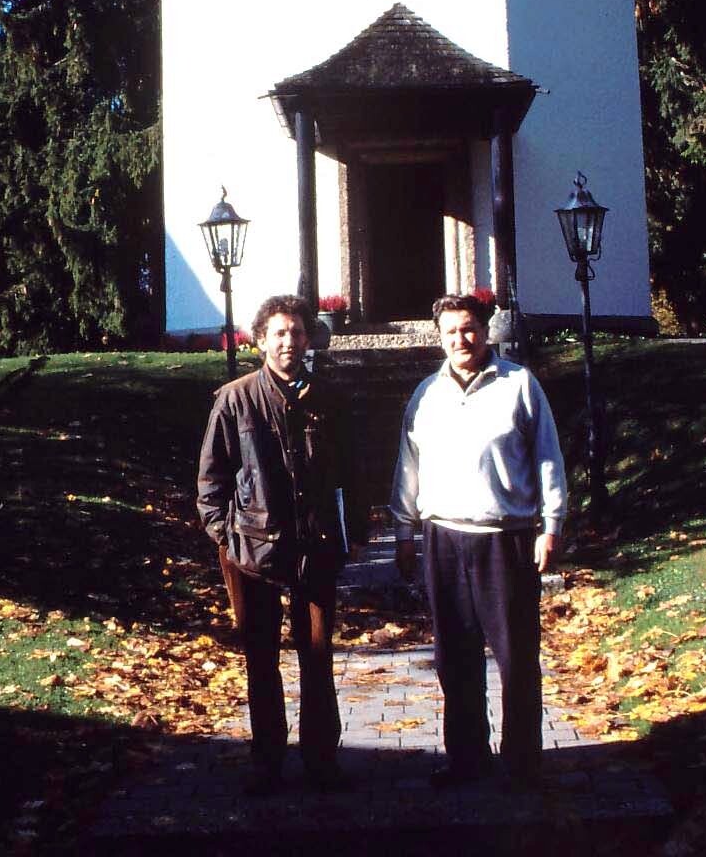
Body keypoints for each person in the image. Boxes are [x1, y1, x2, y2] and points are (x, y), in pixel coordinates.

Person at [391, 293, 567, 789]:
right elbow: (408, 467)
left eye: (468, 328)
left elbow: (548, 458)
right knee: (455, 656)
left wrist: (551, 524)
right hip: (444, 538)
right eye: (450, 331)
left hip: (504, 539)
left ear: (484, 330)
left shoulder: (519, 386)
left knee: (515, 656)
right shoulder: (425, 395)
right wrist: (403, 530)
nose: (460, 339)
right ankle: (467, 758)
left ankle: (522, 763)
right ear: (439, 336)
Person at [197, 293, 365, 795]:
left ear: (309, 338)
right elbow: (211, 482)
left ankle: (321, 761)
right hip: (250, 552)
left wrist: (351, 531)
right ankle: (267, 762)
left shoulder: (329, 400)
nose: (289, 341)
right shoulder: (235, 398)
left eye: (297, 332)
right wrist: (226, 536)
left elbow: (353, 474)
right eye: (279, 333)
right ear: (261, 340)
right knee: (261, 657)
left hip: (314, 546)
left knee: (317, 654)